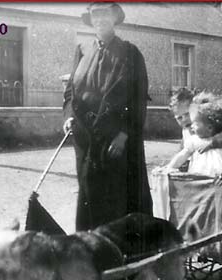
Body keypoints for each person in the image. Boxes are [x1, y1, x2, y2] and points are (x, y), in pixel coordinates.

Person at [62, 2, 152, 231]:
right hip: (86, 140)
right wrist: (69, 116)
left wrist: (124, 134)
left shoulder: (130, 53)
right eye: (95, 15)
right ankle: (91, 250)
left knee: (117, 199)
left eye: (105, 14)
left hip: (116, 141)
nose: (100, 19)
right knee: (89, 195)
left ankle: (123, 255)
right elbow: (70, 92)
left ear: (115, 18)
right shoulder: (82, 51)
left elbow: (138, 100)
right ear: (90, 19)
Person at [166, 91, 222, 177]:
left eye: (187, 114)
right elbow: (183, 153)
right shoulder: (188, 134)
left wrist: (212, 143)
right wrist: (170, 167)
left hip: (217, 167)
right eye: (179, 118)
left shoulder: (217, 131)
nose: (184, 119)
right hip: (198, 168)